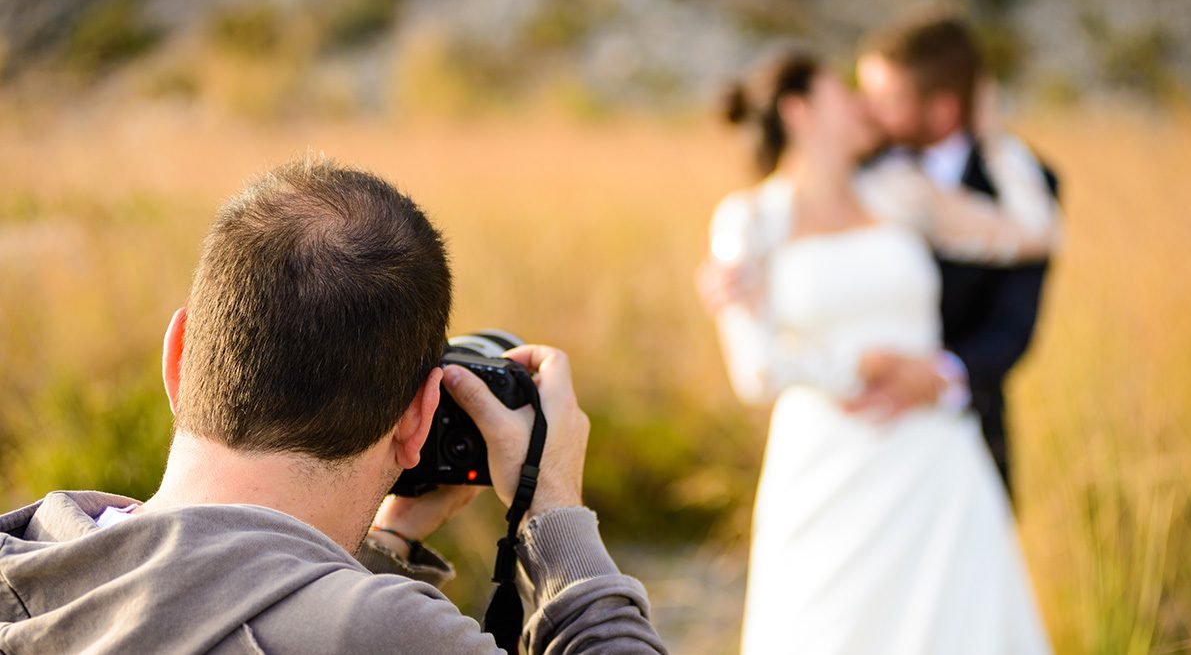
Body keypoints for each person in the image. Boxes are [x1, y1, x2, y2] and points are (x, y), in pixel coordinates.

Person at [0, 157, 667, 654]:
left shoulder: (23, 564)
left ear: (176, 357)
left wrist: (383, 546)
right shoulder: (378, 631)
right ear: (417, 420)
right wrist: (554, 512)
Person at [696, 49, 1052, 654]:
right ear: (799, 110)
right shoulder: (749, 218)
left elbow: (1034, 235)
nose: (864, 104)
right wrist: (858, 368)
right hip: (826, 464)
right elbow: (754, 371)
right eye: (844, 92)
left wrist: (991, 136)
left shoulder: (900, 193)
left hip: (936, 459)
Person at [855, 12, 1061, 495]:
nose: (867, 111)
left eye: (886, 100)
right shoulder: (855, 167)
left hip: (968, 427)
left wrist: (937, 376)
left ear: (943, 110)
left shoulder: (1024, 186)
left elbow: (1013, 326)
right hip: (860, 426)